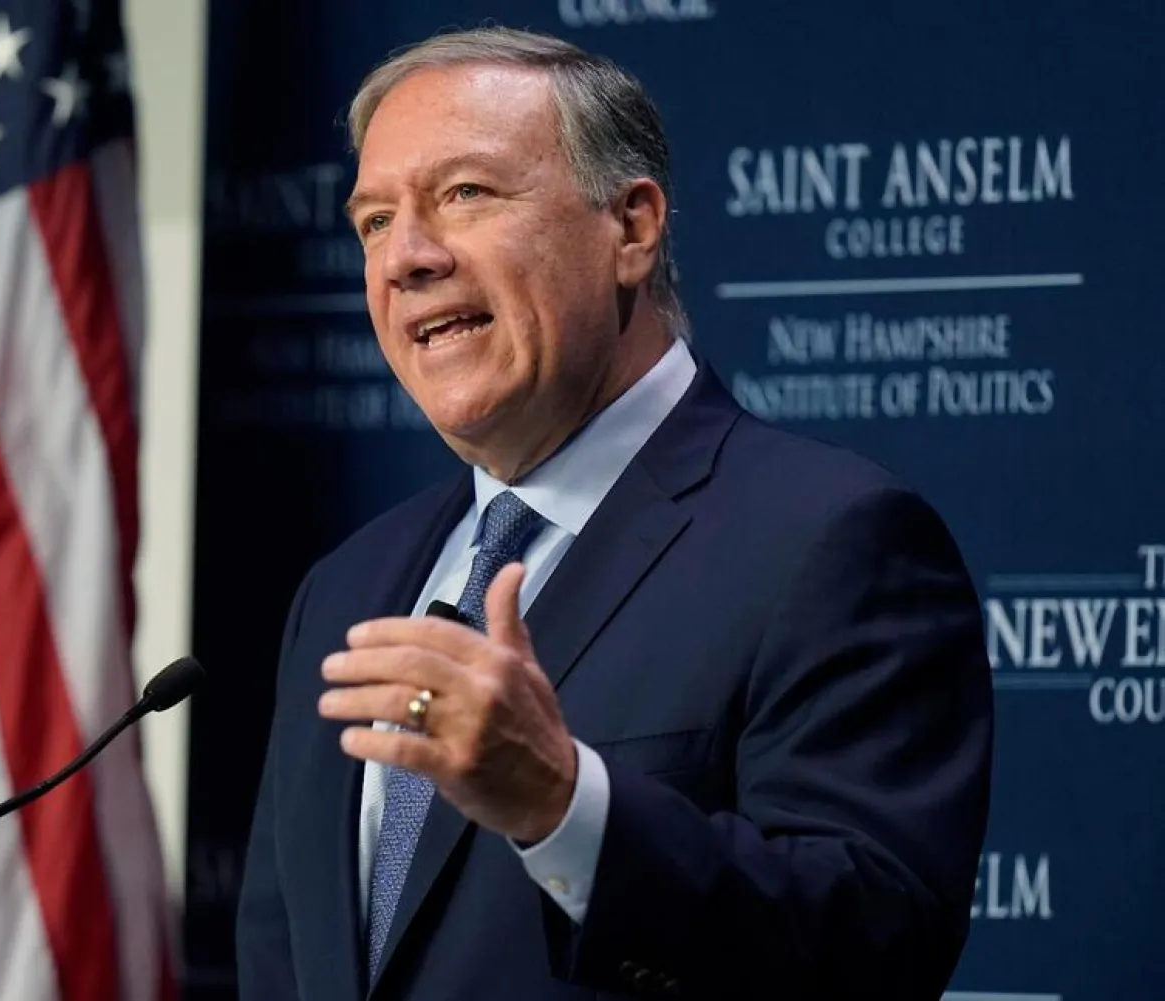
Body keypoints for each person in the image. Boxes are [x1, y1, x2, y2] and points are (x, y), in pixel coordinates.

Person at [234, 25, 993, 1001]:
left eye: (464, 193)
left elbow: (877, 950)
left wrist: (564, 805)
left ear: (630, 228)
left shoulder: (830, 539)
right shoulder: (346, 586)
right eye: (375, 219)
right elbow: (280, 959)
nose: (406, 257)